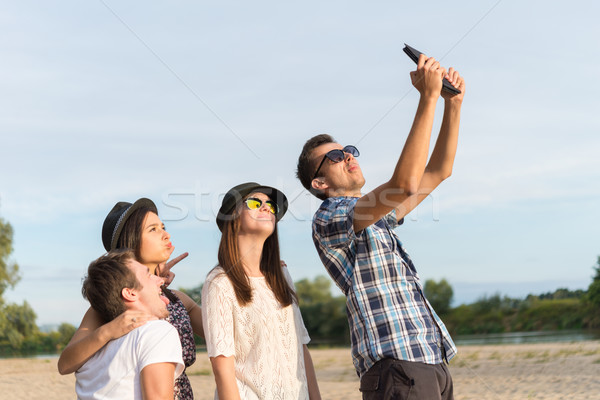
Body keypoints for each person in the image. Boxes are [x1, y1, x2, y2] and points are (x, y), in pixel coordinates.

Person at [295, 55, 465, 399]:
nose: (347, 156)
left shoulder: (376, 216)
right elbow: (403, 184)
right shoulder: (329, 217)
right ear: (319, 184)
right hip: (397, 366)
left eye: (348, 150)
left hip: (429, 359)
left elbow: (438, 172)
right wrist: (427, 97)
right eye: (334, 157)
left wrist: (453, 104)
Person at [58, 198, 203, 399]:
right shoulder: (105, 309)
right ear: (130, 242)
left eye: (163, 226)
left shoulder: (178, 300)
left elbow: (224, 334)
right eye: (153, 229)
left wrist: (155, 283)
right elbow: (65, 364)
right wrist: (109, 330)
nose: (165, 234)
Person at [202, 182, 321, 400]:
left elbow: (301, 349)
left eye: (271, 206)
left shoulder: (282, 276)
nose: (267, 207)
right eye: (255, 202)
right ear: (232, 217)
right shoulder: (219, 282)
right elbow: (222, 367)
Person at [75, 250, 184, 400]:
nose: (161, 280)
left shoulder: (88, 354)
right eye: (148, 275)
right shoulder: (157, 332)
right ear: (130, 293)